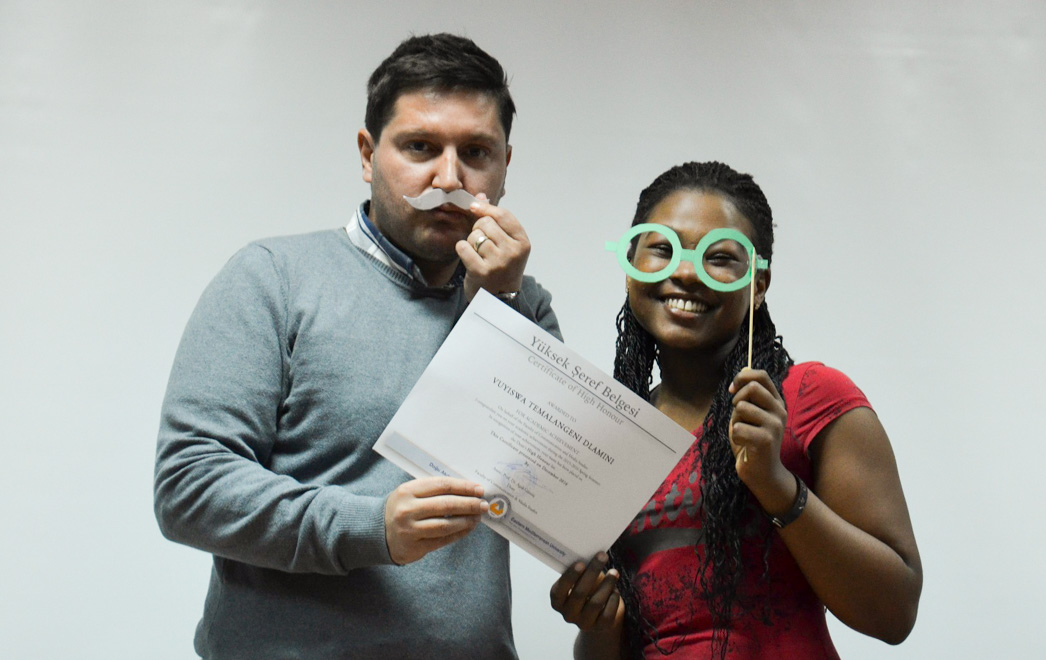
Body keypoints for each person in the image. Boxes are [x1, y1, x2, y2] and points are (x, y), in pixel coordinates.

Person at [154, 33, 558, 659]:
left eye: (476, 152)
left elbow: (545, 491)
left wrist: (496, 308)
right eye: (420, 147)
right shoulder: (272, 279)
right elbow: (190, 486)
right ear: (368, 156)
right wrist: (372, 527)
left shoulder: (521, 303)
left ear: (506, 165)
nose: (449, 178)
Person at [549, 162, 921, 659]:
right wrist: (596, 624)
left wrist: (775, 484)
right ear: (630, 264)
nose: (685, 272)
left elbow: (894, 613)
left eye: (719, 257)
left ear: (758, 284)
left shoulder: (811, 397)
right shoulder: (616, 436)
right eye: (662, 249)